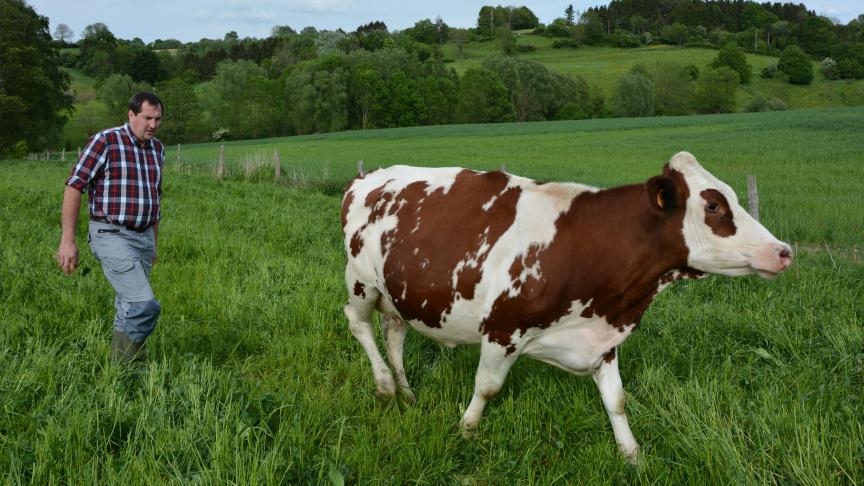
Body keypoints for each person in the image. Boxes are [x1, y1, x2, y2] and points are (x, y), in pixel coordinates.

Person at [56, 92, 165, 363]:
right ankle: (131, 364)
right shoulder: (106, 141)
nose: (152, 124)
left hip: (143, 237)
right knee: (144, 305)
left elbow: (155, 196)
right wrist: (67, 240)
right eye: (147, 118)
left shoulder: (157, 149)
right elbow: (74, 186)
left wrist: (154, 243)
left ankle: (120, 375)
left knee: (127, 305)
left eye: (158, 119)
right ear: (131, 115)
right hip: (110, 233)